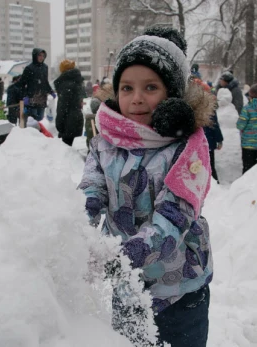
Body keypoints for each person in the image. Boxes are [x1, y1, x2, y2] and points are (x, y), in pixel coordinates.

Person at [78, 27, 214, 347]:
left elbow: (174, 215)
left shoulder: (188, 148)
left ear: (172, 95)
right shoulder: (103, 144)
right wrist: (75, 226)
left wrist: (121, 256)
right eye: (127, 87)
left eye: (150, 87)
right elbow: (91, 190)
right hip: (127, 289)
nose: (136, 98)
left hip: (180, 290)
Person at [54, 59, 86, 146]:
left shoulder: (66, 84)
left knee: (65, 150)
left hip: (68, 122)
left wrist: (59, 124)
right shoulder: (77, 81)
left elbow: (62, 106)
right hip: (76, 119)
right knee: (71, 150)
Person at [19, 48, 55, 121]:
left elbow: (45, 82)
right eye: (39, 55)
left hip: (42, 98)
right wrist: (25, 96)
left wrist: (51, 91)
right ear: (35, 56)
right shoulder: (29, 68)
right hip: (31, 97)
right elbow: (22, 84)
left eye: (43, 56)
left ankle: (36, 131)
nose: (41, 57)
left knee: (40, 118)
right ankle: (32, 131)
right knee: (32, 119)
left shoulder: (45, 67)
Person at [203, 109, 223, 184]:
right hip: (208, 143)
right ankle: (214, 182)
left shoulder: (193, 107)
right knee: (210, 165)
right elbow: (215, 126)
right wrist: (219, 140)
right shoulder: (210, 110)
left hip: (197, 144)